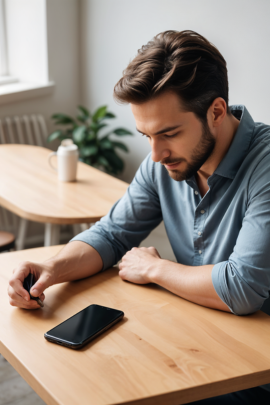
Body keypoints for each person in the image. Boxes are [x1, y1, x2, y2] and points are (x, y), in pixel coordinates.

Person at [8, 30, 270, 403]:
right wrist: (53, 268)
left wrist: (154, 269)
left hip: (257, 374)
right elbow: (113, 234)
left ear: (216, 111)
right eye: (145, 135)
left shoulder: (265, 167)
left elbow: (242, 288)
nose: (157, 153)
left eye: (169, 133)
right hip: (205, 351)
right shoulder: (163, 163)